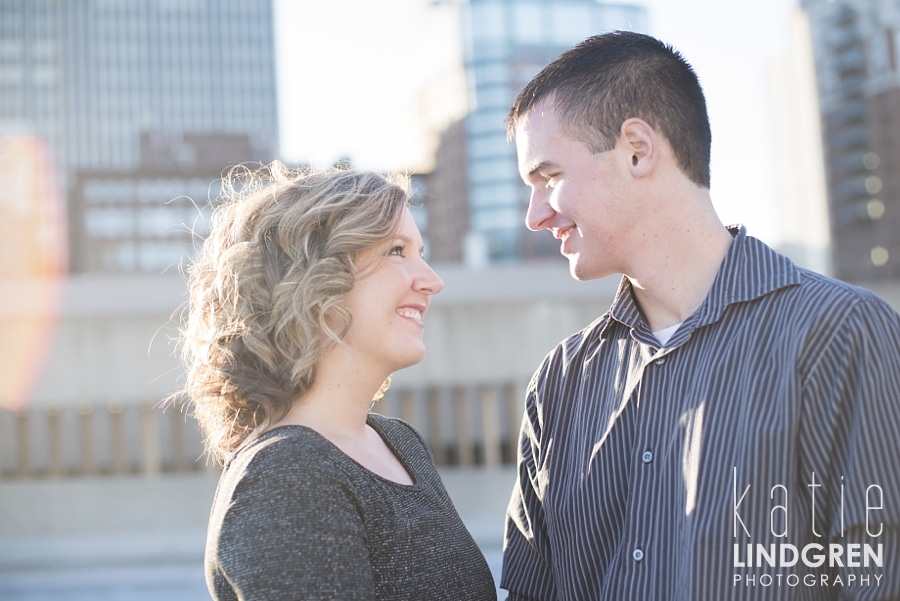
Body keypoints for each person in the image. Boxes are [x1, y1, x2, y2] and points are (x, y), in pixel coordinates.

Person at [500, 30, 900, 600]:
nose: (536, 216)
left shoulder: (839, 335)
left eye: (549, 178)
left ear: (637, 148)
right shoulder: (560, 384)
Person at [177, 162, 497, 600]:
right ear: (313, 279)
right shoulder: (287, 477)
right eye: (397, 251)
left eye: (421, 253)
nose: (432, 282)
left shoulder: (400, 444)